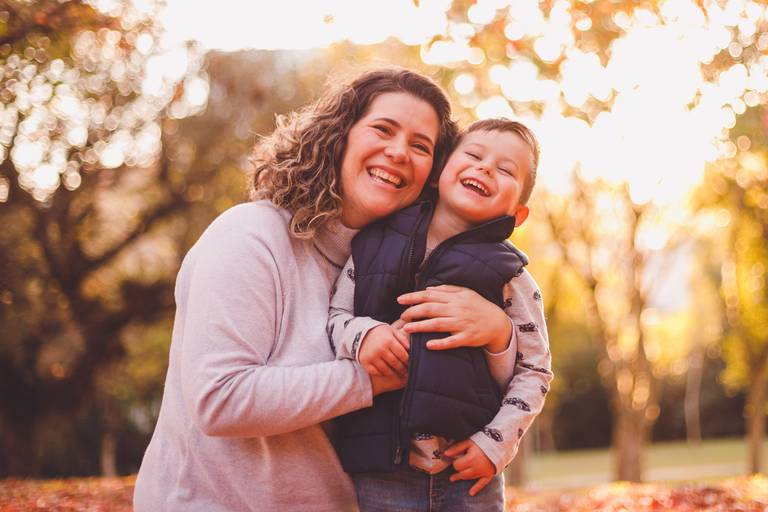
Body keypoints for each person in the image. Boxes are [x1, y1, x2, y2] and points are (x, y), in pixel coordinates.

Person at [133, 68, 518, 512]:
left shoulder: (410, 269)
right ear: (341, 135)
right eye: (382, 129)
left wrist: (499, 335)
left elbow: (472, 387)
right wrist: (369, 377)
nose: (397, 152)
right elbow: (219, 399)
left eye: (420, 146)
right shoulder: (250, 236)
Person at [328, 118, 553, 511]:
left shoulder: (511, 276)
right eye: (474, 155)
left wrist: (496, 443)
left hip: (467, 472)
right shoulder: (372, 245)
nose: (485, 168)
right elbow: (335, 316)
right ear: (438, 174)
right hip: (382, 467)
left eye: (504, 170)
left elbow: (535, 369)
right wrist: (363, 334)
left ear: (518, 215)